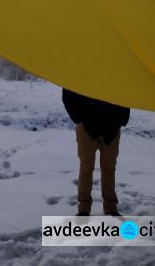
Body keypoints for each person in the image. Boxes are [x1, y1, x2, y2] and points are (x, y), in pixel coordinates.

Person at [62, 88, 130, 217]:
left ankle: (111, 208)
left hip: (112, 128)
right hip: (86, 127)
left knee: (109, 170)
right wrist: (78, 118)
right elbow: (68, 90)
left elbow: (126, 90)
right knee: (86, 169)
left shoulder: (118, 69)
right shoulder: (82, 69)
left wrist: (122, 119)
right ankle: (83, 209)